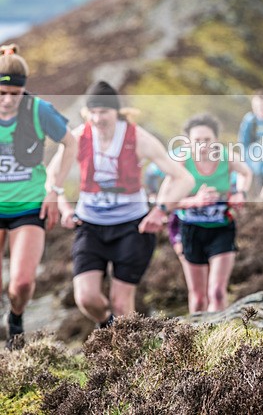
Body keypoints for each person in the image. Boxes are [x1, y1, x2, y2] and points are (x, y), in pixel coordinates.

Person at [52, 81, 194, 329]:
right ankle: (107, 325)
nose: (98, 118)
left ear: (116, 112)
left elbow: (183, 178)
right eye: (92, 112)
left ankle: (127, 356)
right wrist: (64, 208)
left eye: (104, 112)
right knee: (86, 298)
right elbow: (53, 179)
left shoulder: (137, 137)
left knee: (121, 302)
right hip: (90, 225)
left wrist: (160, 211)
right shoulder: (77, 138)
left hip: (132, 225)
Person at [0, 44, 77, 349]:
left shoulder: (39, 111)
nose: (7, 101)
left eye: (14, 95)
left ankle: (16, 318)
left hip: (29, 206)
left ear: (23, 91)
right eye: (1, 94)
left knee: (21, 284)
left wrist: (55, 190)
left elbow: (70, 143)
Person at [172, 114, 251, 313]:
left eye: (207, 140)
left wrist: (240, 192)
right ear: (188, 142)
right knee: (198, 298)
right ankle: (196, 339)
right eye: (197, 141)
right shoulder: (181, 162)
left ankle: (218, 337)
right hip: (191, 230)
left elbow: (246, 173)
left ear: (215, 139)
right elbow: (167, 202)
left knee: (216, 292)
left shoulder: (225, 156)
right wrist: (194, 201)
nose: (203, 145)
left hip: (221, 229)